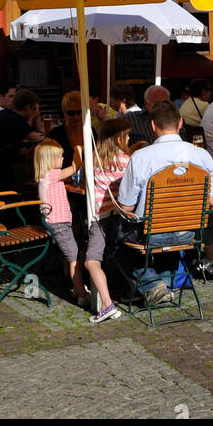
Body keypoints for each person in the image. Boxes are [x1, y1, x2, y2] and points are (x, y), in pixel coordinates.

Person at [117, 100, 213, 305]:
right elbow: (212, 200)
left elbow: (126, 207)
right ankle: (164, 284)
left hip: (152, 233)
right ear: (180, 123)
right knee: (159, 231)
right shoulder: (202, 155)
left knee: (114, 235)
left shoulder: (141, 157)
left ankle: (153, 285)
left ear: (152, 126)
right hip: (189, 232)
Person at [84, 117, 132, 323]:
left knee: (91, 261)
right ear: (120, 139)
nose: (129, 138)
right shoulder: (127, 160)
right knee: (118, 250)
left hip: (99, 215)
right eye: (127, 135)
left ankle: (106, 303)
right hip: (118, 214)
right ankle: (135, 287)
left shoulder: (94, 159)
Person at [34, 138, 90, 307]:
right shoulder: (51, 175)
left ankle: (74, 285)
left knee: (70, 255)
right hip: (58, 223)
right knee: (74, 256)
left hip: (59, 222)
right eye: (60, 157)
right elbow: (74, 168)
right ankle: (81, 293)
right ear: (50, 160)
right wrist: (78, 151)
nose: (63, 159)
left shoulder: (47, 176)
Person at [0, 89, 44, 192]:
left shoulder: (4, 113)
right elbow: (40, 140)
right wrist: (35, 118)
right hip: (1, 172)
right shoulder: (17, 120)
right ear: (28, 107)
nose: (36, 111)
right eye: (34, 108)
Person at [48, 92, 89, 168]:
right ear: (64, 113)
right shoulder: (55, 134)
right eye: (71, 113)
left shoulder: (91, 133)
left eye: (79, 112)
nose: (76, 116)